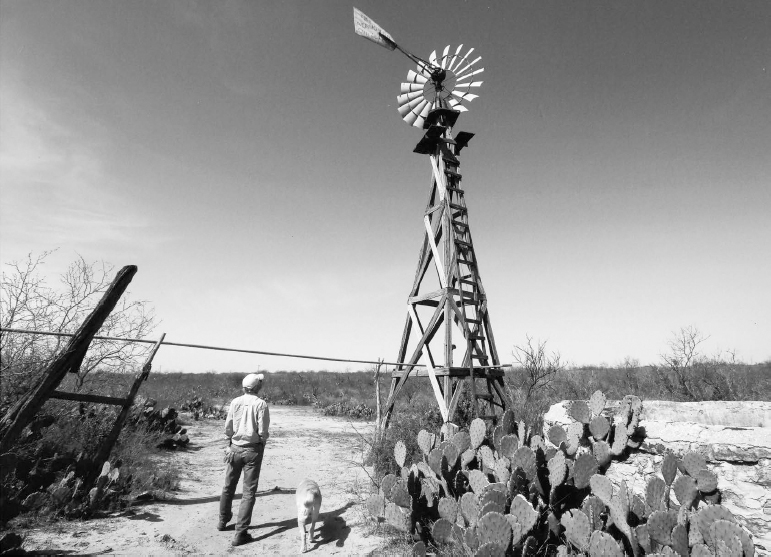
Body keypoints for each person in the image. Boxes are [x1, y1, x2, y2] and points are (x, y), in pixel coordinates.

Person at [218, 373, 270, 546]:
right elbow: (263, 431)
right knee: (248, 492)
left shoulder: (235, 402)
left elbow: (228, 427)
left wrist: (230, 442)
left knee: (228, 486)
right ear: (257, 387)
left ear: (244, 387)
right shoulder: (261, 404)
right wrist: (261, 444)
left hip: (234, 447)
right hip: (252, 450)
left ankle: (222, 520)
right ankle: (240, 533)